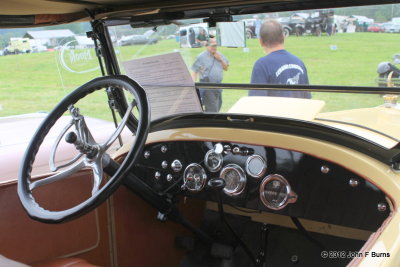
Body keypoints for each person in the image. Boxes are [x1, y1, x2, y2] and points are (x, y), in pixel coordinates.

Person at [249, 19, 310, 98]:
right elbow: (307, 98)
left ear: (260, 41)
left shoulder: (261, 65)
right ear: (283, 37)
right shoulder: (299, 62)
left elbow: (256, 101)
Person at [192, 38, 229, 112]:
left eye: (215, 46)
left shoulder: (220, 55)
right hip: (207, 87)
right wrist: (193, 86)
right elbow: (194, 71)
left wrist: (220, 59)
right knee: (212, 109)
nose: (214, 48)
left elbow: (226, 68)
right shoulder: (201, 57)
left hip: (218, 87)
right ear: (207, 46)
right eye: (212, 46)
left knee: (217, 107)